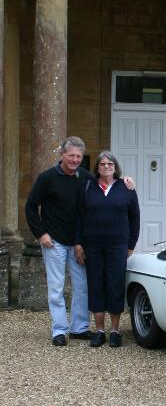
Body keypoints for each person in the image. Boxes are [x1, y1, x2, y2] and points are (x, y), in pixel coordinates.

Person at [25, 137, 135, 347]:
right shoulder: (47, 178)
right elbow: (30, 206)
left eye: (78, 156)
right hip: (53, 241)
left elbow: (109, 180)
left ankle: (79, 328)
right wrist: (41, 234)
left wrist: (128, 181)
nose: (75, 159)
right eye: (71, 155)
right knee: (56, 287)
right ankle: (59, 330)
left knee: (83, 285)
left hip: (79, 243)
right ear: (62, 155)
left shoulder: (85, 177)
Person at [74, 151, 140, 348]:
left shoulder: (126, 188)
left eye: (110, 164)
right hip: (92, 245)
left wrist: (131, 245)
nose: (106, 167)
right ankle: (100, 331)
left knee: (115, 285)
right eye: (102, 164)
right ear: (97, 167)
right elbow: (79, 217)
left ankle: (115, 331)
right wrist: (78, 243)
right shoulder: (88, 187)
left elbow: (135, 218)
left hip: (117, 246)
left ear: (115, 167)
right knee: (95, 285)